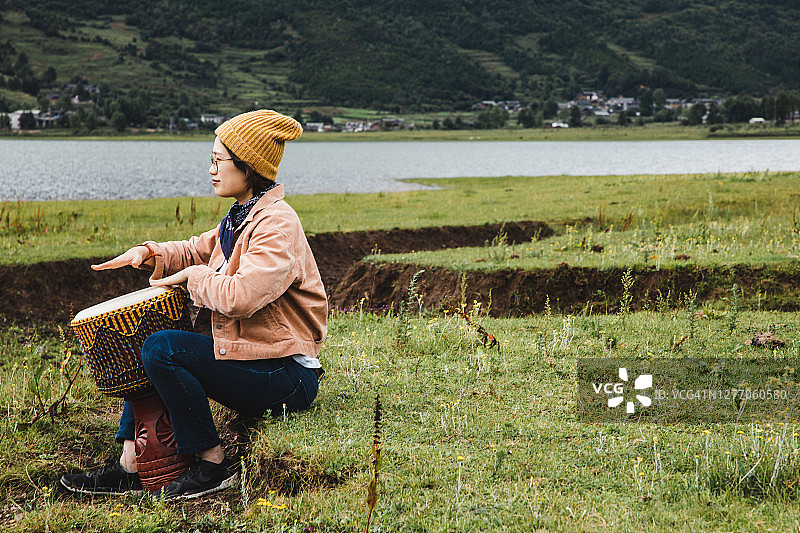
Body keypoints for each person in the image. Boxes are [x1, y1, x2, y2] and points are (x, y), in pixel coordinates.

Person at [60, 110, 327, 499]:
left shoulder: (277, 224)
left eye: (218, 161)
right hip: (253, 360)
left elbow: (241, 296)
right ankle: (131, 463)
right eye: (212, 161)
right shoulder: (239, 218)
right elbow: (192, 249)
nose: (212, 170)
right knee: (146, 335)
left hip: (284, 374)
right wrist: (150, 253)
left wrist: (193, 278)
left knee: (162, 347)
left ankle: (213, 462)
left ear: (248, 166)